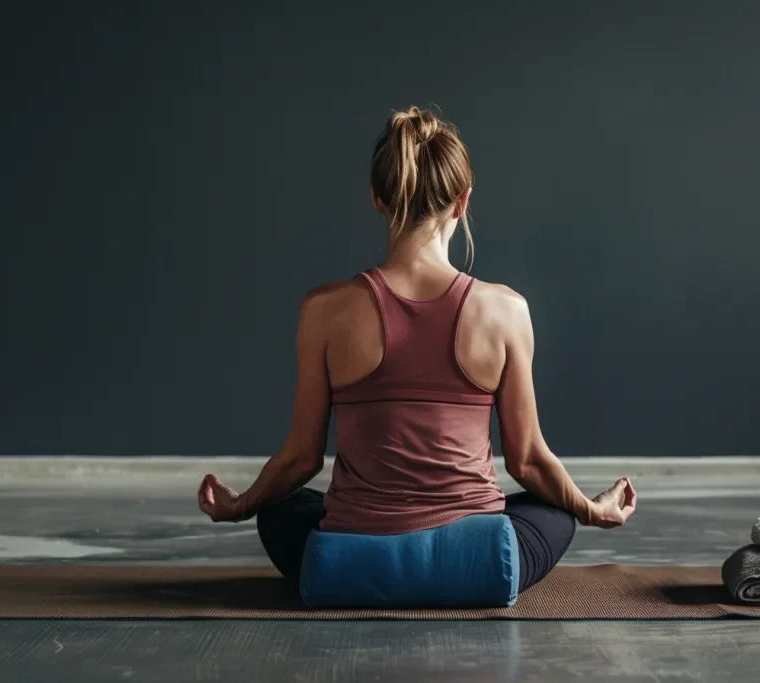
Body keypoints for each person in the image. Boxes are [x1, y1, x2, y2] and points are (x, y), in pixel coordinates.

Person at [198, 106, 637, 593]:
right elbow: (528, 462)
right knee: (553, 508)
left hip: (349, 562)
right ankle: (460, 567)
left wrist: (240, 505)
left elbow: (299, 460)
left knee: (281, 508)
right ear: (462, 202)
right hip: (479, 564)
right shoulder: (506, 310)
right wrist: (591, 508)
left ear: (376, 197)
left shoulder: (324, 309)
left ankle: (365, 568)